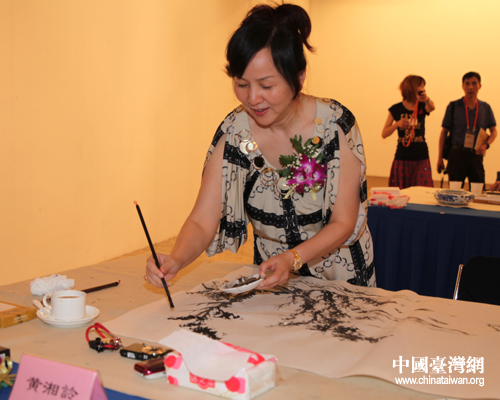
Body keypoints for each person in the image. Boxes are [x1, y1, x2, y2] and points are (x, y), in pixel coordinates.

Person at [145, 4, 375, 290]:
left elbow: (343, 222)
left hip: (341, 278)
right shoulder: (236, 132)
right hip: (271, 280)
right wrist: (176, 259)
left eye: (266, 86)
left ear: (299, 77)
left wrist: (291, 259)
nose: (253, 98)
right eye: (242, 84)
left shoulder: (334, 126)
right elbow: (204, 218)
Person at [437, 72, 497, 186]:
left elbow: (494, 131)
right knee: (454, 191)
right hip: (457, 154)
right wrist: (440, 158)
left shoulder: (485, 108)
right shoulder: (453, 106)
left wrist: (486, 145)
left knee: (478, 191)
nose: (470, 87)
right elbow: (444, 133)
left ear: (480, 86)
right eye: (467, 83)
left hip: (476, 154)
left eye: (474, 83)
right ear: (462, 86)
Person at [381, 75, 435, 189]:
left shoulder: (422, 105)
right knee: (401, 192)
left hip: (421, 156)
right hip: (402, 156)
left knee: (422, 192)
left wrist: (426, 99)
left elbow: (432, 107)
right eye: (420, 86)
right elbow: (384, 133)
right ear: (412, 87)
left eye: (423, 87)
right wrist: (397, 124)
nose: (423, 89)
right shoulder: (396, 109)